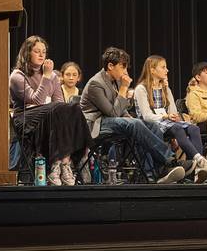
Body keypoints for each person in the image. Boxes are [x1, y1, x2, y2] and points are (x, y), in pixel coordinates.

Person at [80, 47, 188, 184]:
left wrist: (128, 116)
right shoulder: (96, 83)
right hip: (95, 125)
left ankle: (154, 174)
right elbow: (112, 112)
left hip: (112, 120)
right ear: (110, 66)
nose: (125, 71)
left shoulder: (116, 80)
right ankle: (169, 160)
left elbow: (120, 110)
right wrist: (124, 89)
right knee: (135, 124)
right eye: (122, 66)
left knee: (151, 125)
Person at [9, 36, 91, 186]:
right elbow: (37, 100)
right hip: (25, 118)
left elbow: (59, 103)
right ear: (27, 53)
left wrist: (49, 76)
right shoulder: (17, 76)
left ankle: (63, 163)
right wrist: (46, 76)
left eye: (44, 52)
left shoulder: (52, 75)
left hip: (48, 115)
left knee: (73, 108)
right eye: (37, 51)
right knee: (57, 110)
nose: (41, 55)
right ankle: (56, 164)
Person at [134, 55, 207, 183]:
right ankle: (201, 161)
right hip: (150, 125)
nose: (167, 70)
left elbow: (172, 111)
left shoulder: (165, 89)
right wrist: (166, 116)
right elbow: (146, 115)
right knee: (177, 128)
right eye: (163, 67)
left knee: (193, 128)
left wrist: (173, 115)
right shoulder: (141, 88)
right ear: (152, 70)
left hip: (167, 122)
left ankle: (195, 172)